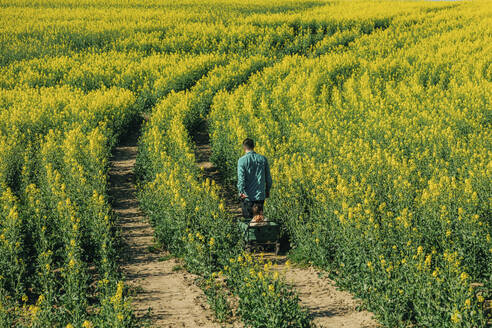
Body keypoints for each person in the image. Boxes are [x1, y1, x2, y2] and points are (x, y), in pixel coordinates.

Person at [237, 138, 272, 220]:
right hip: (260, 197)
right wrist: (267, 190)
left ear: (244, 148)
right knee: (258, 221)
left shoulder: (241, 161)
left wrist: (241, 192)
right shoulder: (263, 159)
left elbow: (241, 179)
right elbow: (268, 178)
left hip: (247, 197)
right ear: (254, 146)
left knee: (248, 223)